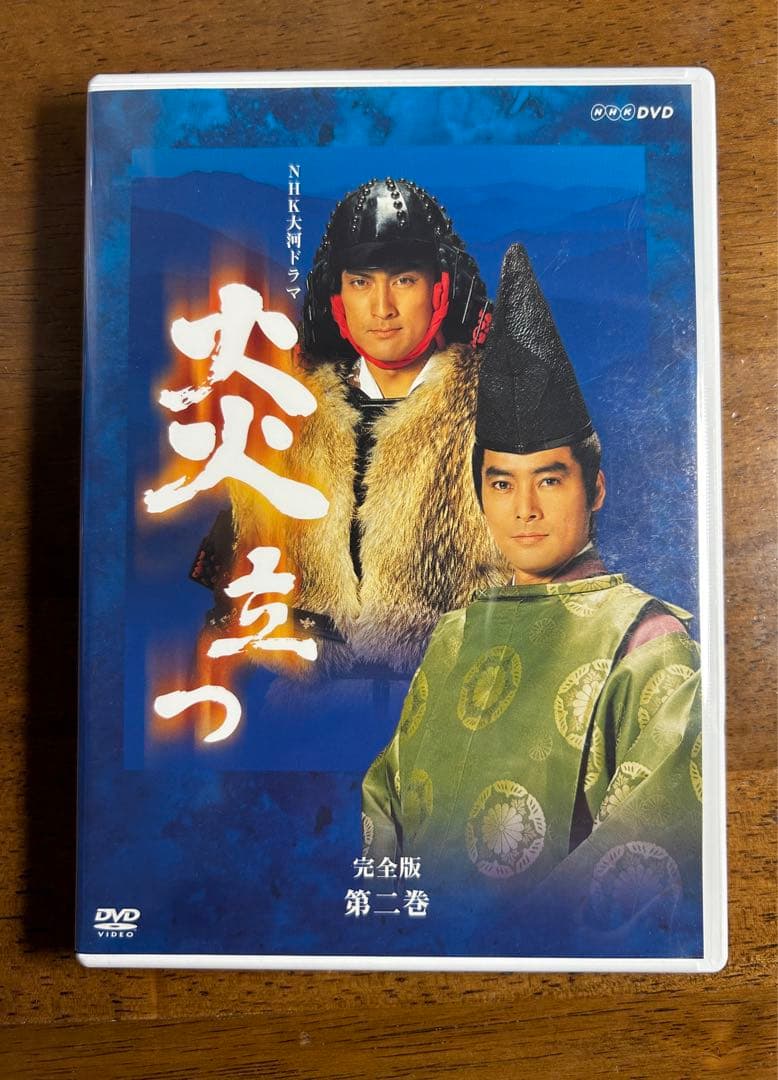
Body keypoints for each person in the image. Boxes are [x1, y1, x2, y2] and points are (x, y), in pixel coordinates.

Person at [361, 244, 702, 953]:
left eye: (550, 479)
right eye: (501, 483)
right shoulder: (455, 635)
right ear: (480, 494)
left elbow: (646, 853)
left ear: (594, 487)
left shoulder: (649, 645)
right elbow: (386, 797)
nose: (524, 510)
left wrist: (483, 954)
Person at [198, 178, 506, 681]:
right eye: (361, 282)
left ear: (441, 290)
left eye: (404, 280)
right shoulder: (284, 415)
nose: (382, 308)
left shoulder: (500, 411)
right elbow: (228, 599)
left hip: (458, 698)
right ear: (337, 299)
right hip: (304, 703)